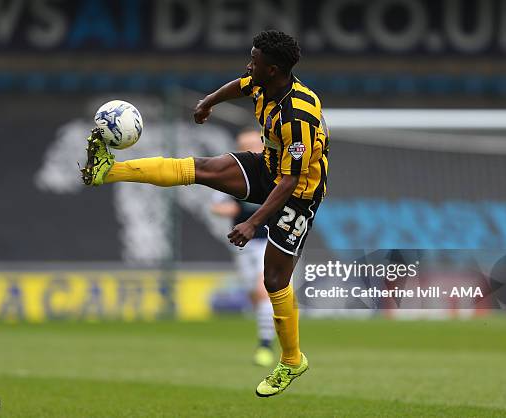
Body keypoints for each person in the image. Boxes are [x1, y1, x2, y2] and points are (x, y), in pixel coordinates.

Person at [80, 30, 329, 397]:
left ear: (273, 69)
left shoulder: (297, 117)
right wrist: (208, 102)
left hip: (299, 194)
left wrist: (252, 221)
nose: (249, 65)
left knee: (274, 280)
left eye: (255, 61)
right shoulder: (265, 83)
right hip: (268, 167)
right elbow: (240, 85)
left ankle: (292, 360)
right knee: (199, 168)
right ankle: (105, 172)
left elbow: (291, 183)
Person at [210, 128, 275, 367]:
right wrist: (238, 210)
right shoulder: (233, 175)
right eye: (242, 145)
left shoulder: (276, 172)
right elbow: (216, 207)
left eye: (252, 145)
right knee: (255, 296)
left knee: (263, 290)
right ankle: (271, 329)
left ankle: (266, 345)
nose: (248, 150)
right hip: (244, 244)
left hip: (270, 240)